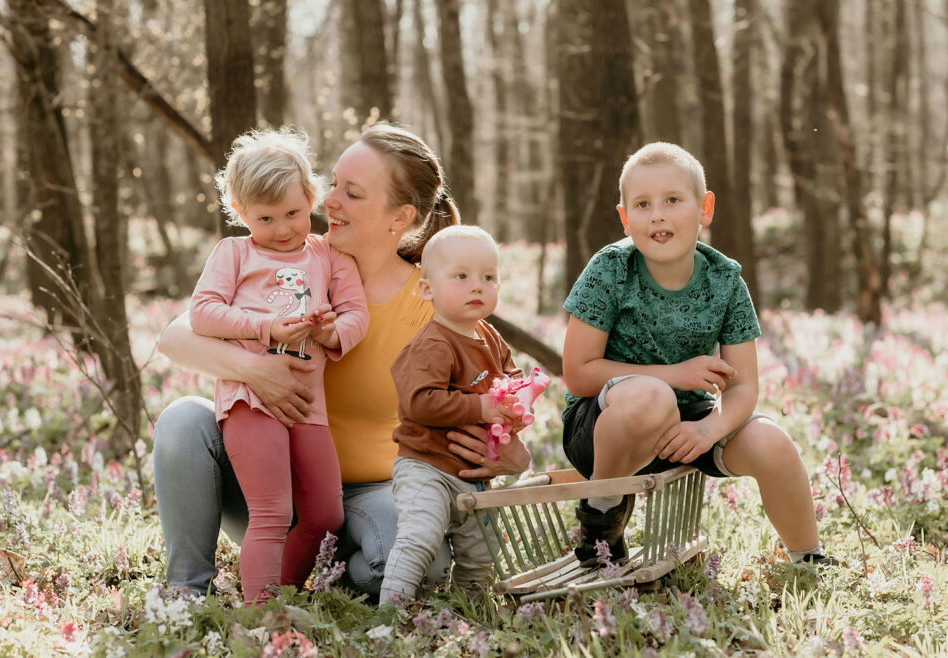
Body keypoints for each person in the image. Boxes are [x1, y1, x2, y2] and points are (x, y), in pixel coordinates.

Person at [152, 124, 531, 600]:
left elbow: (489, 405)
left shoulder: (432, 302)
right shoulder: (294, 258)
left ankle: (330, 576)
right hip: (266, 481)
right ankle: (186, 593)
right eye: (332, 183)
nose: (330, 200)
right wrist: (256, 371)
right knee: (183, 420)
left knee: (411, 565)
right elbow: (174, 335)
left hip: (375, 494)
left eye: (351, 193)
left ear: (401, 216)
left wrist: (512, 454)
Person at [561, 142, 836, 568]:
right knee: (652, 395)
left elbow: (743, 384)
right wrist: (673, 374)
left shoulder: (725, 281)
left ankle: (808, 558)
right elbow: (578, 374)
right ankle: (600, 519)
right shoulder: (610, 270)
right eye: (643, 204)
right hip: (603, 430)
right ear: (624, 217)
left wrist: (710, 429)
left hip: (686, 427)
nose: (657, 214)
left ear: (705, 208)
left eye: (673, 200)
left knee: (773, 442)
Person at [186, 128, 369, 605]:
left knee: (325, 515)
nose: (284, 229)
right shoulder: (235, 253)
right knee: (270, 512)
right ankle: (261, 616)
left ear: (311, 197)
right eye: (266, 219)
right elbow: (203, 312)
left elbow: (356, 314)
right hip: (251, 399)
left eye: (293, 213)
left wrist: (330, 332)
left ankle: (281, 596)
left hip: (309, 404)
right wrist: (268, 327)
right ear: (241, 214)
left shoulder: (328, 254)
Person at [380, 226, 527, 604]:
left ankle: (468, 611)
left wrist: (518, 404)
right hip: (427, 468)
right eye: (461, 276)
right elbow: (419, 402)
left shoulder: (490, 337)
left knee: (482, 554)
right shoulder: (432, 344)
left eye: (488, 277)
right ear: (428, 290)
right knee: (420, 539)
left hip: (476, 475)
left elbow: (511, 378)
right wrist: (480, 406)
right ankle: (390, 613)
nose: (476, 286)